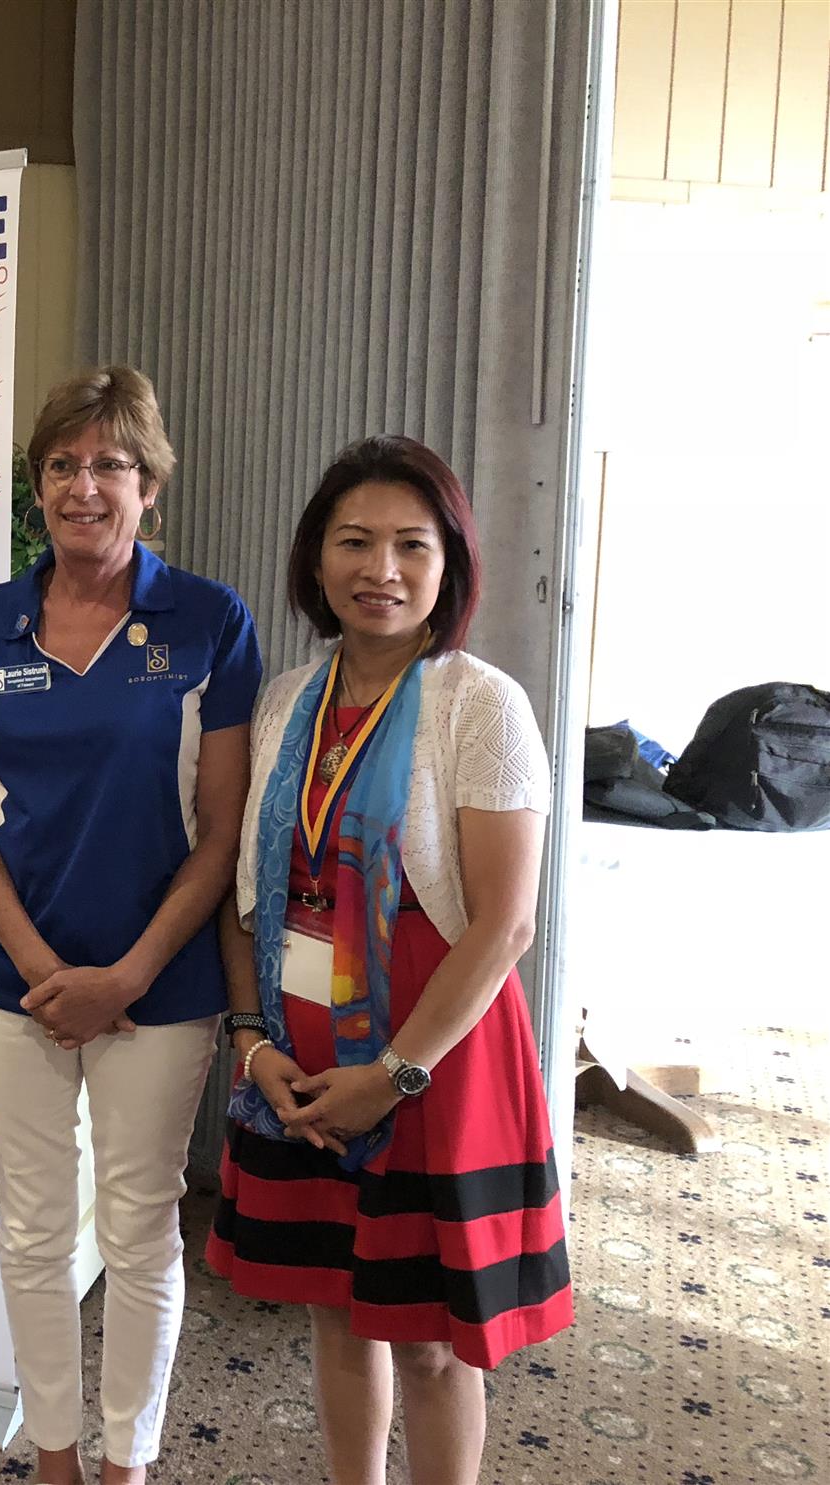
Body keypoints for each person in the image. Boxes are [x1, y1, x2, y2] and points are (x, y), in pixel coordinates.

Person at [205, 435, 572, 1485]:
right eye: (354, 541)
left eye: (412, 545)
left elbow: (504, 925)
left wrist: (396, 1073)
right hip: (304, 1056)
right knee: (335, 1307)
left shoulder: (480, 704)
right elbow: (246, 893)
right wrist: (252, 1044)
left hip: (434, 1059)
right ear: (315, 558)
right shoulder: (287, 700)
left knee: (429, 1340)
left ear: (450, 564)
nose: (382, 569)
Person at [0, 368, 261, 1485]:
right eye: (62, 466)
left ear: (149, 485)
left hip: (158, 984)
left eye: (110, 465)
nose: (84, 487)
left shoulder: (210, 619)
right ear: (37, 486)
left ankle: (127, 1461)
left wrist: (122, 977)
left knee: (137, 1227)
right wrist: (44, 970)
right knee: (31, 1229)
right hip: (12, 979)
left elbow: (221, 830)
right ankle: (56, 1459)